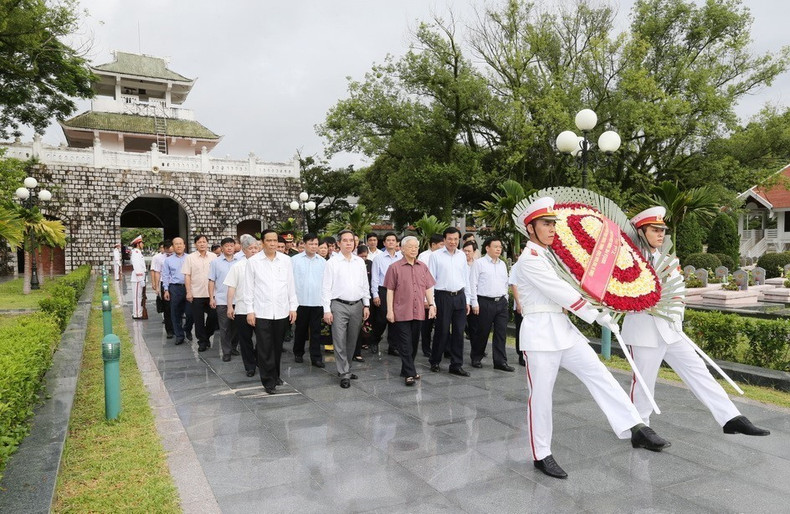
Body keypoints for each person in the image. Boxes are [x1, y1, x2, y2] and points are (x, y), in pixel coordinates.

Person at [514, 196, 670, 479]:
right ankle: (541, 454)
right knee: (541, 397)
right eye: (545, 224)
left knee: (600, 374)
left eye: (553, 223)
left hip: (562, 329)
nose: (552, 229)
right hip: (539, 334)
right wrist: (596, 315)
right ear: (530, 228)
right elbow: (559, 292)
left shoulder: (550, 256)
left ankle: (636, 427)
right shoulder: (530, 260)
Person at [622, 206, 770, 437]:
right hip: (644, 330)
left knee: (699, 372)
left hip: (672, 330)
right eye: (654, 229)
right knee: (643, 382)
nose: (661, 234)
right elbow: (620, 296)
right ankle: (640, 428)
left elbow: (678, 293)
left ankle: (731, 417)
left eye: (662, 230)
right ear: (640, 232)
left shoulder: (667, 260)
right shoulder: (628, 262)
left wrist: (674, 318)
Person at [244, 229, 297, 394]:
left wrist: (293, 307)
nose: (273, 244)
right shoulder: (253, 262)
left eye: (275, 240)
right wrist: (250, 311)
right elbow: (248, 288)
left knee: (277, 346)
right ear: (262, 242)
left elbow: (290, 285)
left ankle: (276, 375)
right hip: (262, 311)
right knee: (265, 347)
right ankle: (268, 381)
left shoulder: (286, 260)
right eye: (269, 240)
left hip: (281, 310)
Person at [384, 236, 436, 385]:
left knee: (413, 343)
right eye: (411, 246)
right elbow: (390, 290)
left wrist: (431, 305)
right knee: (405, 343)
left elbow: (428, 287)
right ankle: (410, 373)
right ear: (403, 249)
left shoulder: (422, 267)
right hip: (401, 311)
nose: (414, 249)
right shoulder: (394, 267)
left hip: (418, 310)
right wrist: (390, 311)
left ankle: (406, 369)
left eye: (416, 247)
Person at [322, 230, 370, 389]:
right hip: (338, 305)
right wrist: (326, 310)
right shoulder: (332, 263)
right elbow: (326, 288)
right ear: (338, 243)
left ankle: (346, 368)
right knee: (339, 339)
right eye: (345, 240)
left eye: (351, 240)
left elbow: (364, 284)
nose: (349, 243)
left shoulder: (359, 262)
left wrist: (366, 304)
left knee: (352, 339)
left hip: (357, 305)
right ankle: (343, 373)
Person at [428, 227, 471, 376]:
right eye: (450, 239)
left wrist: (468, 300)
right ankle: (435, 361)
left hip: (460, 296)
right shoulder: (435, 256)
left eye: (455, 239)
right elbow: (430, 280)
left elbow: (466, 278)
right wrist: (431, 302)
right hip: (443, 297)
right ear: (444, 240)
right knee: (442, 330)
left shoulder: (461, 256)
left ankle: (456, 365)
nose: (453, 242)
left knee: (459, 332)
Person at [469, 237, 513, 371]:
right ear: (487, 248)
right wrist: (474, 303)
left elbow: (506, 282)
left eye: (500, 247)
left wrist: (505, 297)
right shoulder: (479, 263)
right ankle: (476, 357)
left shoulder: (502, 264)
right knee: (482, 332)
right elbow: (473, 283)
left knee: (501, 333)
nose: (499, 249)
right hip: (484, 302)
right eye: (495, 246)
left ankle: (500, 362)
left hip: (501, 303)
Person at [224, 234, 259, 377]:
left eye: (256, 248)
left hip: (261, 309)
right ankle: (250, 366)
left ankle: (258, 359)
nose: (254, 251)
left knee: (263, 340)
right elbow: (231, 287)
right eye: (251, 248)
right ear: (244, 250)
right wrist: (229, 306)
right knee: (245, 340)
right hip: (242, 309)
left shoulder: (264, 265)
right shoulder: (237, 266)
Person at [291, 233, 327, 368]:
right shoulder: (295, 260)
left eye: (316, 244)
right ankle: (298, 352)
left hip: (317, 301)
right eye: (310, 244)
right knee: (300, 329)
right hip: (300, 301)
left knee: (316, 331)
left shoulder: (323, 262)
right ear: (304, 244)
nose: (313, 246)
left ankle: (316, 357)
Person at [182, 234, 217, 352]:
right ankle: (202, 341)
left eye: (204, 242)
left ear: (207, 243)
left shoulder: (214, 257)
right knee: (198, 319)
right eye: (199, 242)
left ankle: (207, 335)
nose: (202, 244)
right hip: (196, 293)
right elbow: (187, 275)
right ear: (195, 244)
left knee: (213, 316)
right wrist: (188, 292)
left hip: (212, 294)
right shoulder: (190, 258)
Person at [370, 232, 402, 355]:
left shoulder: (401, 257)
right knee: (381, 319)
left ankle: (393, 346)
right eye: (388, 240)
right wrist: (375, 294)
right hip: (383, 290)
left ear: (397, 243)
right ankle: (374, 340)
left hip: (398, 291)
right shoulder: (378, 258)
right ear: (384, 243)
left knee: (395, 319)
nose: (391, 242)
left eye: (393, 240)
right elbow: (375, 277)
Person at [209, 237, 241, 362]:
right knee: (224, 327)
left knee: (237, 326)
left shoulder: (240, 261)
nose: (229, 248)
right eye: (226, 246)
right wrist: (212, 297)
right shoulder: (215, 262)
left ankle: (233, 346)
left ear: (235, 247)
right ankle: (226, 352)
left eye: (231, 246)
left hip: (238, 299)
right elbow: (211, 280)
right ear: (222, 248)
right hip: (222, 300)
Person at [162, 237, 192, 345]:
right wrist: (166, 290)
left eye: (180, 244)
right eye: (176, 244)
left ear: (184, 245)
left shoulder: (190, 258)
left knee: (190, 313)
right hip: (175, 288)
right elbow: (165, 275)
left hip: (189, 287)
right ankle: (179, 336)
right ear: (172, 247)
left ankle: (187, 329)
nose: (179, 246)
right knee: (175, 313)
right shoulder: (168, 260)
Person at [418, 234, 444, 357]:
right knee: (427, 325)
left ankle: (441, 348)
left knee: (442, 323)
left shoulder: (444, 255)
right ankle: (426, 348)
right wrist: (425, 299)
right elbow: (422, 279)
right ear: (433, 245)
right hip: (428, 294)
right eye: (441, 245)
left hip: (441, 293)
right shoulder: (424, 257)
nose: (443, 247)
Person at [150, 240, 174, 338]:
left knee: (177, 308)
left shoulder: (177, 256)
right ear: (163, 248)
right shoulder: (158, 258)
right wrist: (156, 287)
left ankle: (177, 328)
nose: (169, 252)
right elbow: (156, 272)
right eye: (166, 250)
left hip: (176, 284)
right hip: (164, 284)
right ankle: (169, 330)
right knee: (167, 308)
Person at [129, 235, 147, 319]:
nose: (143, 244)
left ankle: (138, 313)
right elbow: (137, 267)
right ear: (138, 244)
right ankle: (136, 314)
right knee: (136, 297)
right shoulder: (136, 253)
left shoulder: (138, 252)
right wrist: (141, 279)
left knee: (139, 297)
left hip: (139, 278)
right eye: (142, 243)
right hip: (137, 279)